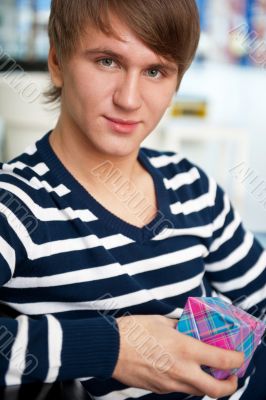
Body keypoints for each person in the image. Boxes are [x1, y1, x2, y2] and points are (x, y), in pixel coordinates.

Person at [0, 0, 265, 399]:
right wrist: (114, 348)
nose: (129, 99)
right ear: (57, 62)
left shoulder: (192, 186)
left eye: (155, 71)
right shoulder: (16, 203)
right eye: (107, 61)